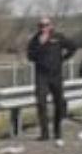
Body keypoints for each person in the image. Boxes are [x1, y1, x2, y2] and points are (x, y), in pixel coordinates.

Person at [24, 15, 78, 143]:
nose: (44, 28)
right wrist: (40, 46)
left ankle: (57, 131)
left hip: (56, 75)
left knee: (58, 103)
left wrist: (63, 59)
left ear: (51, 25)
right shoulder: (35, 40)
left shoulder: (58, 37)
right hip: (41, 76)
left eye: (46, 25)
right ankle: (44, 133)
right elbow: (30, 56)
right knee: (41, 103)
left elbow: (73, 47)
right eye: (41, 26)